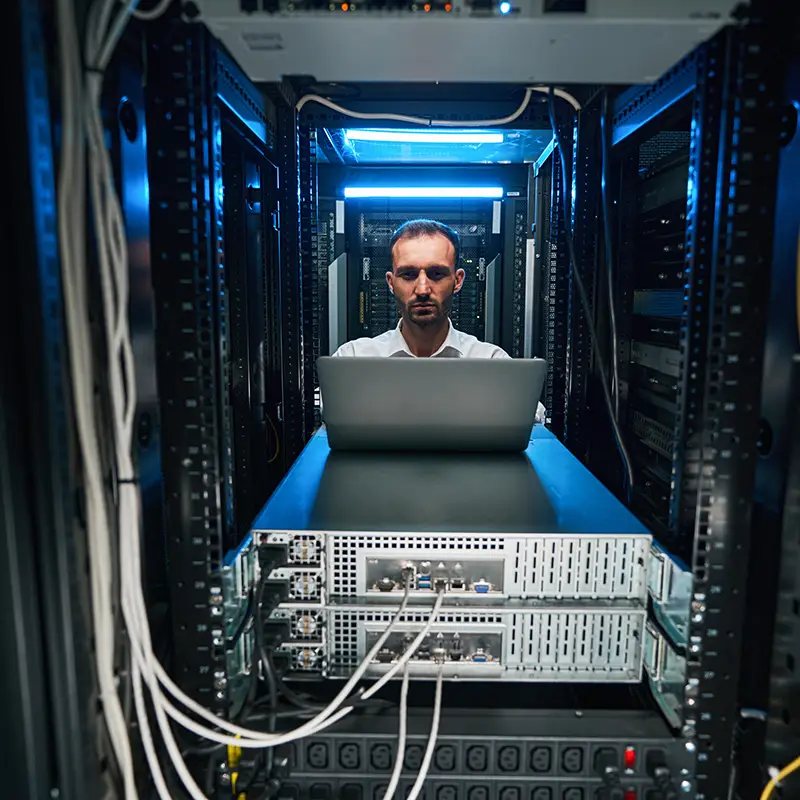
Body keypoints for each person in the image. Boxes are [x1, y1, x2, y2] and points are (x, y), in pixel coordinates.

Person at [332, 218, 546, 423]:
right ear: (391, 282)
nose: (422, 289)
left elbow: (534, 414)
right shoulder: (353, 358)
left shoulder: (491, 361)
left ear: (458, 280)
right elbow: (330, 407)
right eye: (408, 275)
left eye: (436, 274)